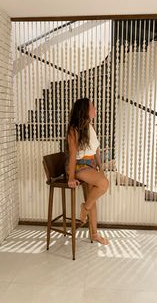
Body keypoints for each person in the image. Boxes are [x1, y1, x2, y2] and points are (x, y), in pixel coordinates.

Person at [66, 98, 109, 245]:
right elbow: (72, 155)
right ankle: (84, 208)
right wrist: (71, 178)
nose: (95, 108)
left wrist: (100, 167)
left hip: (91, 165)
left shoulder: (90, 126)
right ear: (85, 110)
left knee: (93, 199)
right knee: (104, 184)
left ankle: (94, 234)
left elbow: (96, 149)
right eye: (93, 107)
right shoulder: (74, 129)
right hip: (80, 165)